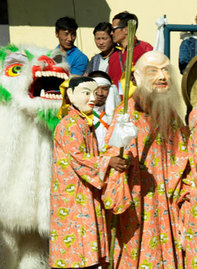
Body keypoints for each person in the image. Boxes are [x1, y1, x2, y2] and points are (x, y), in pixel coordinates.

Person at [99, 51, 197, 268]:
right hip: (136, 205)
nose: (162, 76)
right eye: (153, 71)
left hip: (166, 204)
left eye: (166, 70)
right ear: (137, 78)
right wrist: (118, 162)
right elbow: (110, 157)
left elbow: (186, 156)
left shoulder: (170, 115)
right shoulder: (124, 115)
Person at [50, 77, 126, 268]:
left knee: (88, 252)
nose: (93, 98)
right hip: (74, 195)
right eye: (86, 93)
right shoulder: (69, 124)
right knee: (75, 251)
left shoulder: (84, 122)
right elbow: (79, 158)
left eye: (95, 93)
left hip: (86, 191)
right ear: (70, 94)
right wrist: (108, 161)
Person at [108, 11, 154, 84]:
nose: (111, 33)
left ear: (126, 29)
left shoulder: (144, 49)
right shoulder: (113, 56)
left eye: (113, 29)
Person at [87, 71, 118, 149]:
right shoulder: (80, 115)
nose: (100, 93)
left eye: (104, 89)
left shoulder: (118, 116)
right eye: (96, 88)